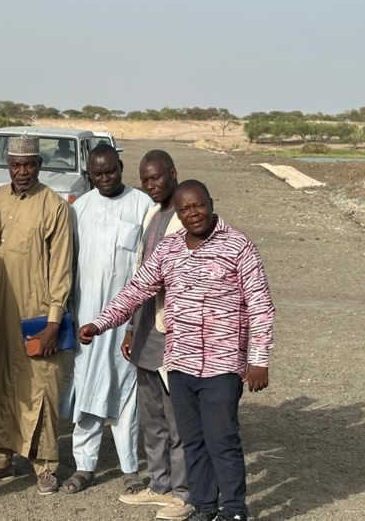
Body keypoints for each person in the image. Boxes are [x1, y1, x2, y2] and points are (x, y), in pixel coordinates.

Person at [79, 180, 275, 521]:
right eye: (185, 209)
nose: (193, 214)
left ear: (211, 203)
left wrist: (258, 360)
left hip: (222, 365)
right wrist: (100, 323)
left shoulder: (239, 246)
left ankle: (233, 510)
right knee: (192, 440)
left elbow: (260, 306)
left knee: (222, 440)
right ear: (178, 215)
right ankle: (203, 507)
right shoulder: (169, 250)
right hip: (180, 365)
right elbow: (137, 290)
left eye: (198, 206)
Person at [0, 135, 74, 495]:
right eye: (16, 164)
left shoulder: (54, 206)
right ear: (7, 165)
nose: (22, 171)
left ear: (39, 165)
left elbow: (61, 268)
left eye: (29, 164)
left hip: (36, 314)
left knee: (40, 387)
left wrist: (54, 321)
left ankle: (45, 467)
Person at [62, 145, 153, 496]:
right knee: (86, 388)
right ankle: (84, 465)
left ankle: (130, 468)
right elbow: (68, 265)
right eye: (98, 174)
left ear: (121, 167)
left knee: (126, 391)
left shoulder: (142, 206)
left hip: (128, 321)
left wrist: (134, 321)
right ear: (89, 174)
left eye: (111, 171)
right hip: (88, 321)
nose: (105, 179)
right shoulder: (79, 209)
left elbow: (147, 266)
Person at [118, 150, 192, 519]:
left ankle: (183, 492)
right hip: (147, 329)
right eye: (145, 180)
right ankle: (159, 484)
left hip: (174, 333)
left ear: (173, 174)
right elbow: (140, 275)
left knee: (177, 416)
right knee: (152, 417)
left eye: (156, 179)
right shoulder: (153, 213)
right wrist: (131, 326)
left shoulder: (187, 217)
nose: (149, 186)